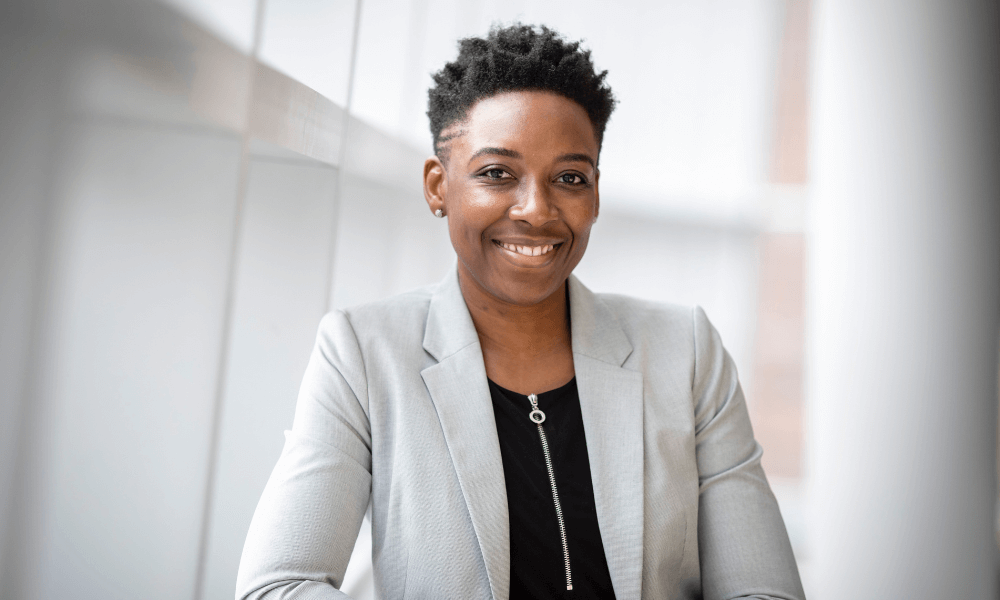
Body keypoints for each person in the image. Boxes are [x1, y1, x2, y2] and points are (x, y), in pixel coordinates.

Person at [236, 24, 805, 600]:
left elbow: (765, 591)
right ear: (439, 186)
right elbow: (278, 585)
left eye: (569, 178)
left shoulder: (685, 352)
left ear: (596, 195)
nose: (536, 209)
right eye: (496, 174)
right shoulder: (363, 352)